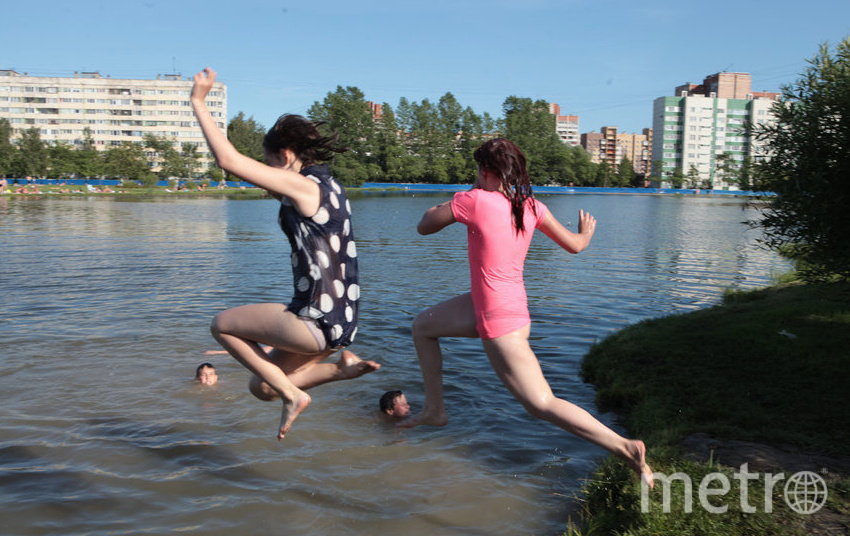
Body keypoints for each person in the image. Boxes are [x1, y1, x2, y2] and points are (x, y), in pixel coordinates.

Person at [398, 138, 653, 487]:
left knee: (540, 402)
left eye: (478, 170)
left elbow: (425, 224)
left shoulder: (473, 200)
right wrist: (586, 233)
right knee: (422, 326)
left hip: (498, 321)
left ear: (485, 171)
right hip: (501, 304)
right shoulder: (531, 206)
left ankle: (625, 446)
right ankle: (435, 410)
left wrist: (468, 192)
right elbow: (575, 246)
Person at [191, 67, 379, 440]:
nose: (267, 174)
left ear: (286, 154)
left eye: (269, 162)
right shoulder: (329, 186)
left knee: (221, 324)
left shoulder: (305, 187)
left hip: (315, 318)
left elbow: (228, 161)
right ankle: (339, 371)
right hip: (342, 324)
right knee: (261, 387)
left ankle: (293, 394)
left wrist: (199, 101)